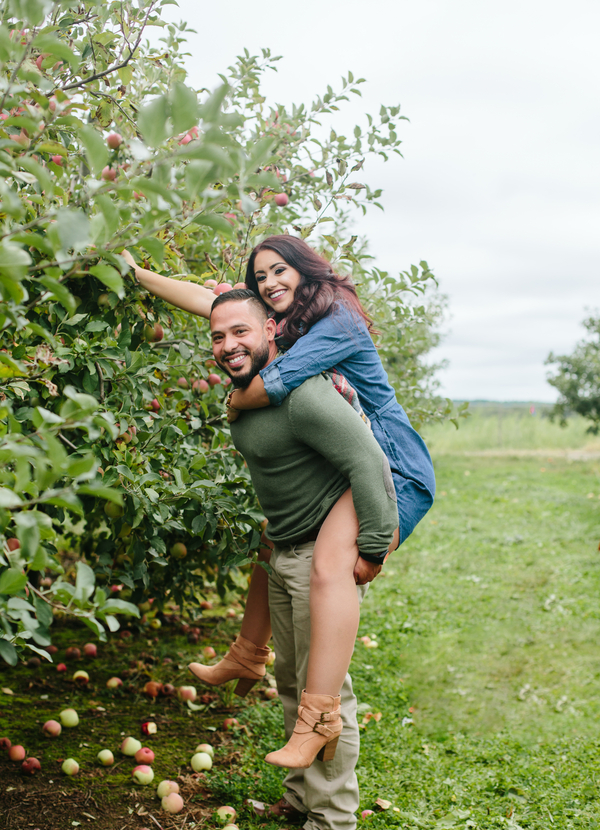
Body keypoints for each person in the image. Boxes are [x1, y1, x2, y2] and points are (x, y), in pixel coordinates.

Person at [121, 237, 435, 767]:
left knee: (330, 568)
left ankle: (321, 717)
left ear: (306, 270)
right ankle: (247, 655)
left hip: (391, 468)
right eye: (260, 276)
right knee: (274, 542)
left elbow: (276, 381)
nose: (268, 284)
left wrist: (237, 398)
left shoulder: (337, 320)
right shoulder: (281, 318)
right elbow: (211, 300)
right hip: (347, 466)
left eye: (278, 271)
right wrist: (138, 275)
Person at [208, 289, 398, 830]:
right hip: (286, 553)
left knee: (327, 694)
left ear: (270, 328)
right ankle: (302, 800)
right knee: (293, 681)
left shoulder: (303, 394)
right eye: (217, 336)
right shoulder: (250, 395)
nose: (228, 345)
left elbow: (367, 461)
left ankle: (333, 824)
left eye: (240, 332)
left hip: (323, 558)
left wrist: (370, 549)